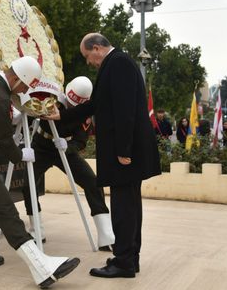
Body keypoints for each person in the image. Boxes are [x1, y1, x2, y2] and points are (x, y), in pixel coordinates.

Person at [0, 56, 80, 288]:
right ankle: (42, 268)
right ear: (17, 79)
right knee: (6, 210)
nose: (25, 91)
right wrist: (20, 155)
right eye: (25, 86)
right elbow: (5, 140)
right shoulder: (0, 98)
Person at [43, 33, 161, 279]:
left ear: (96, 48)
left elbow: (126, 110)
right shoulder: (116, 63)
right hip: (126, 152)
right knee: (128, 206)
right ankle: (128, 258)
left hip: (125, 154)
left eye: (88, 56)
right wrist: (61, 116)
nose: (89, 62)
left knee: (123, 208)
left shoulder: (118, 63)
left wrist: (123, 151)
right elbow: (97, 104)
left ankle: (124, 262)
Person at [21, 77, 115, 251]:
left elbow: (81, 141)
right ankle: (36, 231)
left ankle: (106, 235)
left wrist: (68, 146)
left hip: (64, 150)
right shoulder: (52, 97)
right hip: (41, 145)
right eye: (69, 103)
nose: (70, 108)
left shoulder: (85, 114)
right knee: (28, 184)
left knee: (92, 182)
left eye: (75, 106)